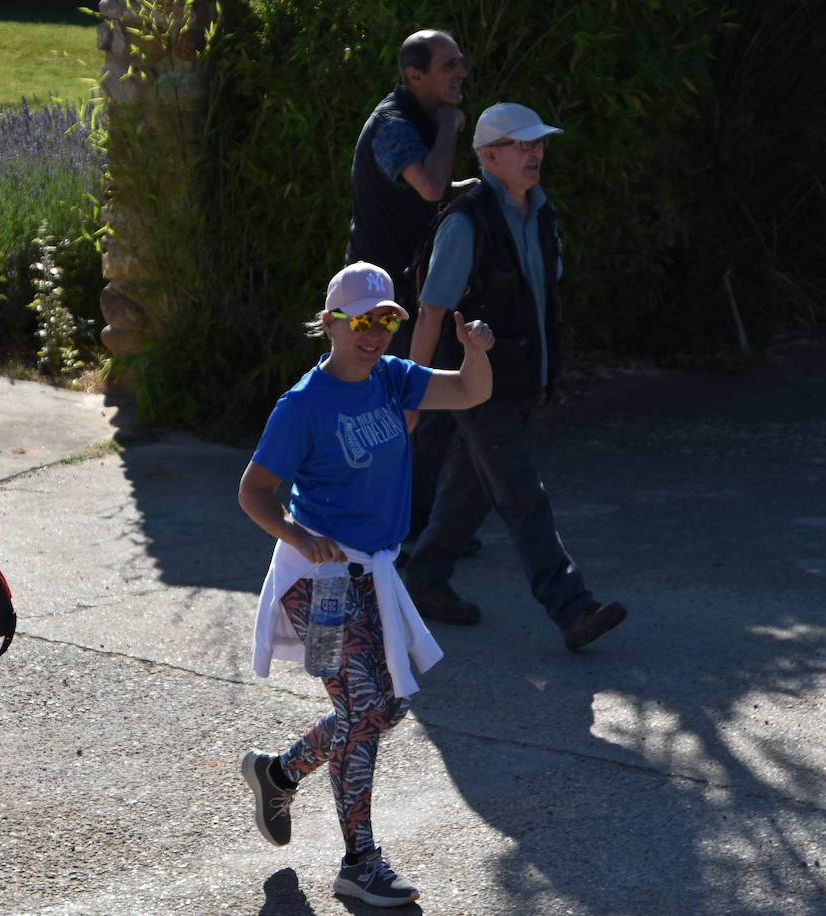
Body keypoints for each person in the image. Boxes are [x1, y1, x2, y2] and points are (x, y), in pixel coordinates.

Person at [237, 261, 494, 907]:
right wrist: (298, 535)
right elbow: (254, 492)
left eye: (385, 320)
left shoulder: (391, 379)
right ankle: (360, 861)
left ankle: (279, 772)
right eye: (361, 321)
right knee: (366, 709)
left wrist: (475, 352)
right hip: (316, 582)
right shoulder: (302, 405)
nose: (374, 333)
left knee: (384, 707)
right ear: (331, 324)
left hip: (372, 576)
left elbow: (468, 393)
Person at [402, 102, 628, 650]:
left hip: (524, 379)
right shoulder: (466, 221)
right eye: (523, 145)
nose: (536, 153)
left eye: (539, 144)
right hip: (478, 383)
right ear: (488, 155)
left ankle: (426, 580)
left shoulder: (542, 212)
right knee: (524, 493)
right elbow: (432, 310)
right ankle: (571, 608)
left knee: (470, 485)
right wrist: (411, 392)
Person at [345, 28, 485, 585]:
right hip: (378, 299)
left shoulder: (421, 122)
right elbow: (430, 187)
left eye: (460, 63)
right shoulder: (395, 127)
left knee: (430, 409)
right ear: (415, 76)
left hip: (413, 290)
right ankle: (377, 528)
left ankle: (422, 525)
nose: (461, 73)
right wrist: (451, 128)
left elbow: (438, 190)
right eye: (449, 65)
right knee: (394, 411)